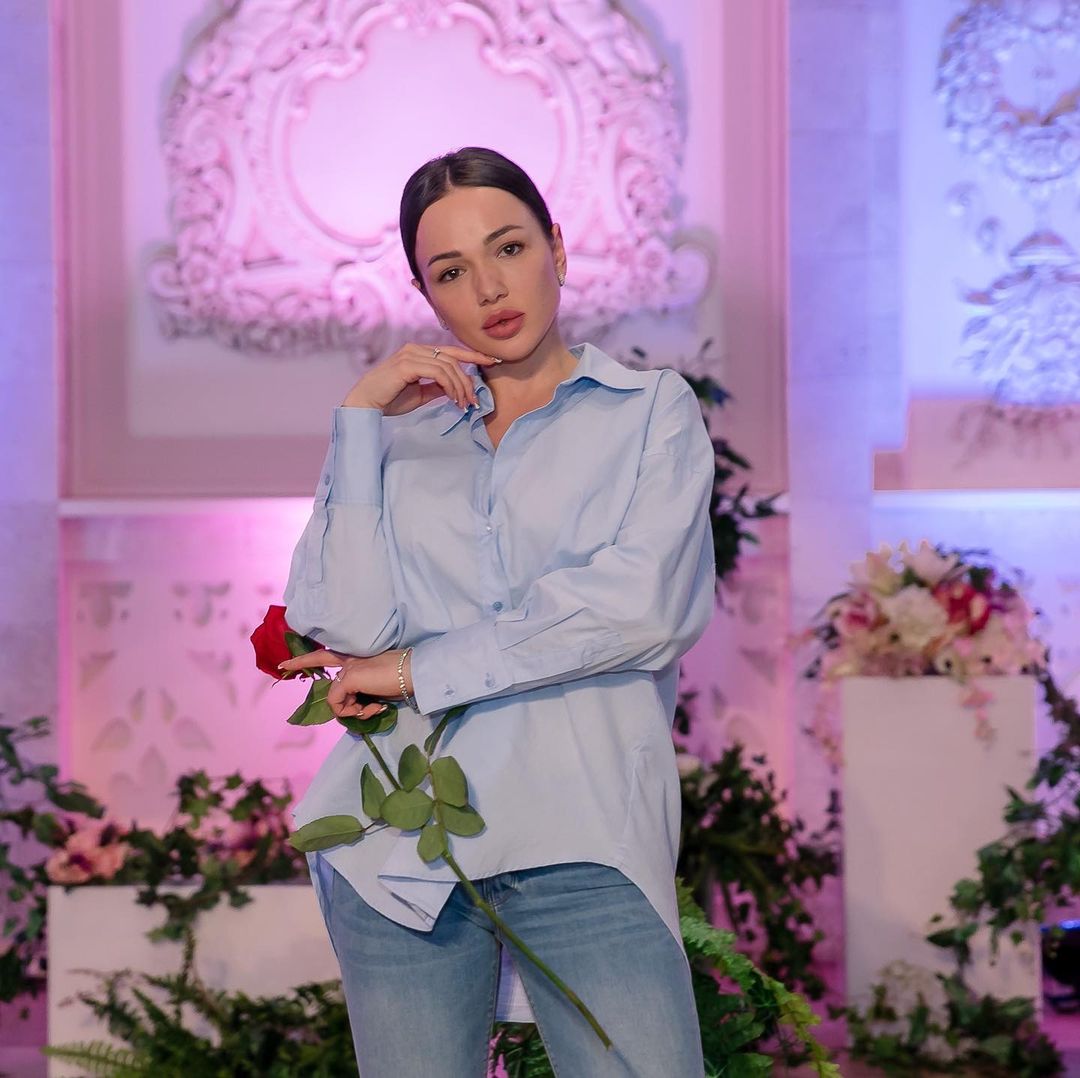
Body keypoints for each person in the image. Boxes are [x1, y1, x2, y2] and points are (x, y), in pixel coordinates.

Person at [278, 146, 715, 1077]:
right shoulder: (399, 443)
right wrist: (360, 420)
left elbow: (637, 610)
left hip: (583, 838)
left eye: (509, 248)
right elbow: (345, 625)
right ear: (424, 295)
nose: (488, 288)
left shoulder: (650, 412)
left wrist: (417, 670)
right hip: (397, 854)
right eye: (450, 271)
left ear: (557, 245)